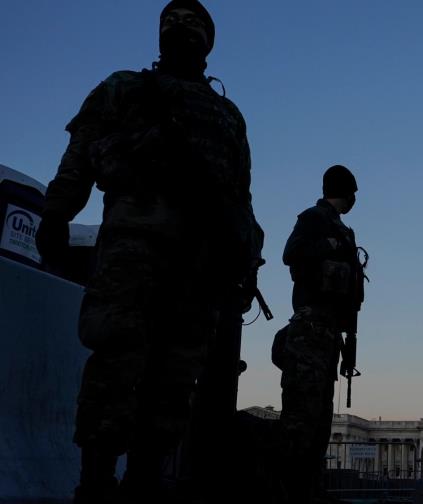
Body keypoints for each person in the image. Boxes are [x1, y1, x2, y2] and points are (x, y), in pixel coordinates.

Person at [35, 1, 263, 502]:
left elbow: (238, 198)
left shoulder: (223, 115)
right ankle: (98, 482)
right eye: (174, 27)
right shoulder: (128, 89)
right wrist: (56, 213)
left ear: (206, 43)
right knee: (120, 363)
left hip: (190, 263)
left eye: (190, 28)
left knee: (172, 378)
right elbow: (79, 157)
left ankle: (138, 482)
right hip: (137, 251)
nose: (181, 35)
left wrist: (243, 261)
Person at [275, 165, 365, 503]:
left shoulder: (345, 230)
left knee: (322, 411)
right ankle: (289, 488)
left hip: (331, 327)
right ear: (347, 191)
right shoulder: (314, 218)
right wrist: (327, 245)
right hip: (311, 320)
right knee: (302, 408)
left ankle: (310, 486)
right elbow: (291, 254)